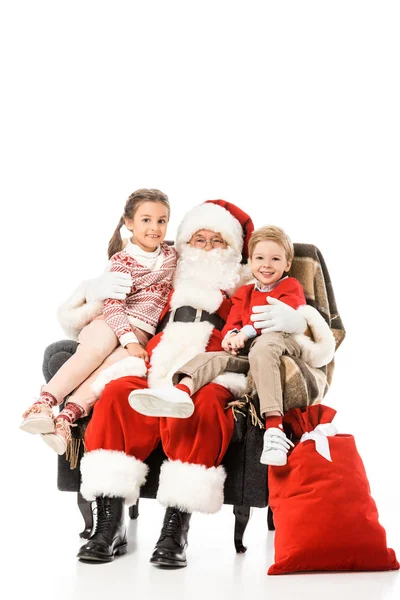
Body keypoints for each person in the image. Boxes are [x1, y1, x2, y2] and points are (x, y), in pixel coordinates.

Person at [56, 200, 335, 567]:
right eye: (198, 239)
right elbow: (97, 310)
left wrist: (297, 323)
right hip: (158, 356)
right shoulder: (166, 269)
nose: (205, 247)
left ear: (234, 250)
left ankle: (175, 527)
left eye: (216, 240)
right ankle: (109, 522)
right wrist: (92, 288)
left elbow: (312, 338)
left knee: (203, 407)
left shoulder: (253, 278)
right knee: (118, 395)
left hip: (217, 362)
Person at [129, 225, 319, 467]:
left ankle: (274, 429)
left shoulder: (289, 286)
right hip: (249, 352)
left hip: (278, 343)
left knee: (263, 347)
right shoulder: (245, 293)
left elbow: (275, 316)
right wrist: (231, 336)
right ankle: (180, 392)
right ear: (250, 262)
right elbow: (233, 321)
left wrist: (247, 332)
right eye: (260, 258)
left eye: (275, 259)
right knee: (215, 358)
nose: (267, 265)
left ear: (287, 264)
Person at [20, 188, 176, 455]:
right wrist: (127, 340)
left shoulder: (171, 256)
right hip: (111, 321)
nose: (155, 227)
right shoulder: (122, 260)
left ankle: (66, 419)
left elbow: (209, 249)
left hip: (140, 332)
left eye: (161, 221)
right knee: (95, 350)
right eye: (146, 220)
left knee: (113, 370)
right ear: (129, 223)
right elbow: (113, 305)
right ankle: (43, 403)